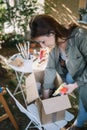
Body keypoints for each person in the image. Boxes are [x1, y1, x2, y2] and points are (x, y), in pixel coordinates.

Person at [29, 14, 87, 130]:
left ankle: (78, 125)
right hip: (75, 75)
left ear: (52, 33)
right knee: (69, 80)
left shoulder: (81, 36)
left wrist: (75, 85)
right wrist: (45, 95)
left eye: (43, 42)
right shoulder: (54, 47)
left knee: (84, 103)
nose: (42, 46)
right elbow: (50, 68)